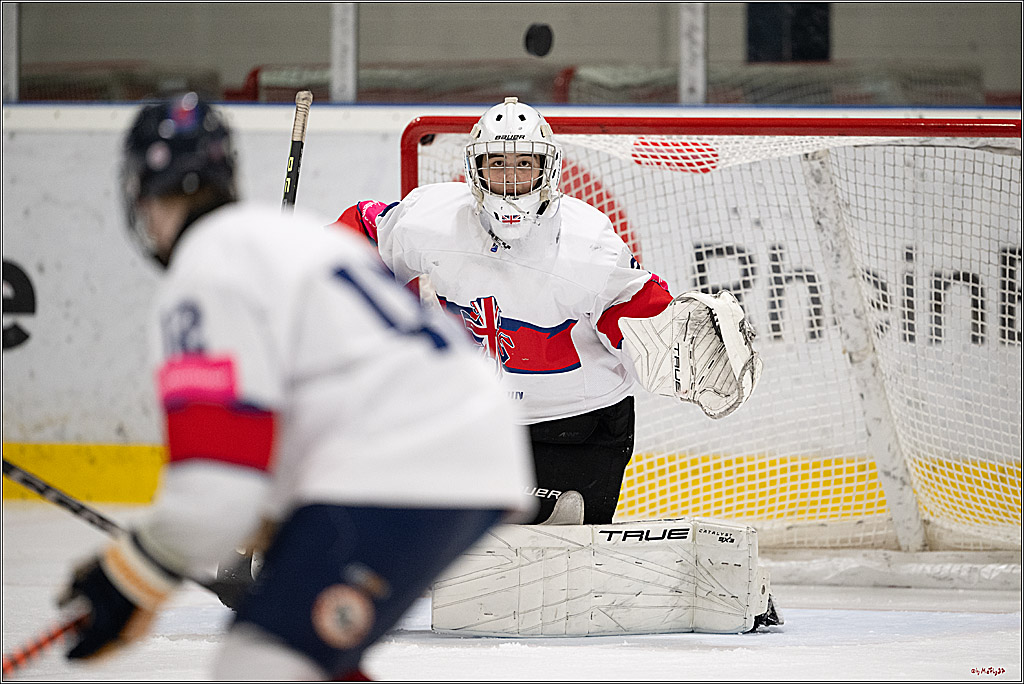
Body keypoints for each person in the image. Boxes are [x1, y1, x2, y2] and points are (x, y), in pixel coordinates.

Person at [55, 92, 536, 681]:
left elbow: (214, 489)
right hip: (478, 444)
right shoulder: (296, 240)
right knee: (302, 654)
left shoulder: (205, 269)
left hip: (403, 464)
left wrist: (131, 574)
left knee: (255, 666)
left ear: (145, 196)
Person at [335, 97, 761, 526]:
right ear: (475, 171)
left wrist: (686, 347)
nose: (511, 179)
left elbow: (641, 318)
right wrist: (309, 286)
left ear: (548, 170)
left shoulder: (588, 245)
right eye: (497, 165)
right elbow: (362, 230)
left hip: (580, 426)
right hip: (478, 419)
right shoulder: (428, 221)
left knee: (564, 569)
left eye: (524, 165)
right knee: (467, 562)